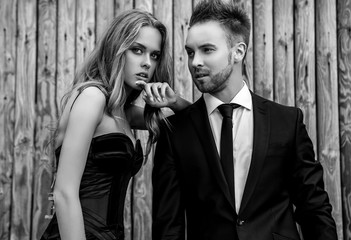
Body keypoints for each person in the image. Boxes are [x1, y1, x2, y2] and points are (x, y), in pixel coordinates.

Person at [152, 1, 337, 240]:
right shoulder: (175, 132)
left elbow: (314, 209)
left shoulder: (286, 122)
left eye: (207, 50)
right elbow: (168, 227)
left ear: (238, 51)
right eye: (190, 52)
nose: (195, 61)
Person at [41, 9, 189, 240]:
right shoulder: (92, 97)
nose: (146, 63)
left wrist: (175, 101)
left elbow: (192, 123)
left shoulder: (124, 113)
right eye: (137, 50)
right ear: (116, 48)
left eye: (154, 55)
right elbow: (64, 193)